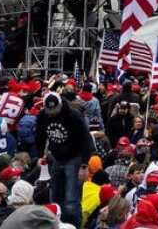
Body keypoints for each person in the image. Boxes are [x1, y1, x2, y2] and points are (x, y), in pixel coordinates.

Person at [35, 91, 94, 226]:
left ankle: (74, 226)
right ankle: (58, 225)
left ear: (60, 104)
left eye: (55, 110)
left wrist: (84, 165)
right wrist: (40, 155)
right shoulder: (43, 116)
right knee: (55, 196)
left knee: (71, 201)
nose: (52, 113)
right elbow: (39, 136)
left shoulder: (73, 115)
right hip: (56, 156)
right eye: (50, 111)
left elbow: (86, 139)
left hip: (74, 157)